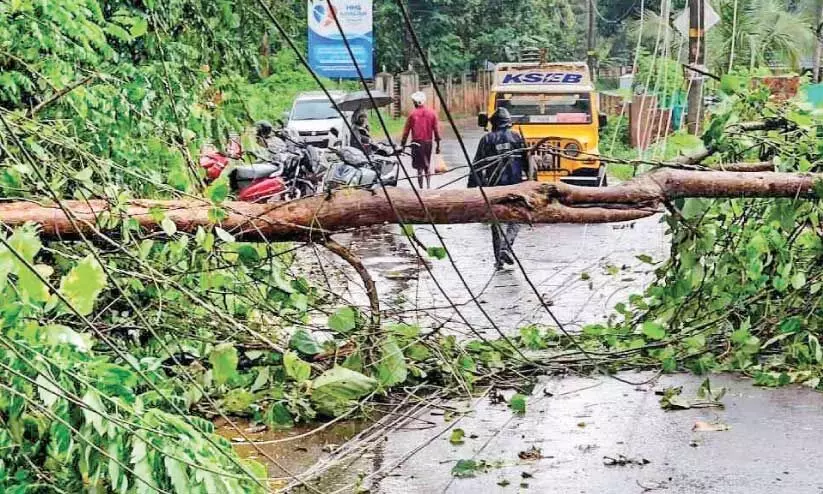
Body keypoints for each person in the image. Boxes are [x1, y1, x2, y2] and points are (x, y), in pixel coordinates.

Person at [468, 107, 527, 270]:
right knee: (516, 219)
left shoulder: (487, 139)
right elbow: (527, 163)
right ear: (508, 123)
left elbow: (477, 166)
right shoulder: (517, 138)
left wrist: (473, 189)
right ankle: (505, 248)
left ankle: (499, 258)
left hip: (494, 188)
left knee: (496, 223)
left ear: (493, 124)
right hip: (516, 187)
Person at [400, 91, 441, 189]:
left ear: (414, 102)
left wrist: (402, 145)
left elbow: (406, 132)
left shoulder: (412, 114)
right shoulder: (432, 113)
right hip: (428, 143)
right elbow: (437, 131)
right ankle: (428, 186)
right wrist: (438, 145)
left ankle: (421, 189)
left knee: (419, 168)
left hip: (416, 143)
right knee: (427, 165)